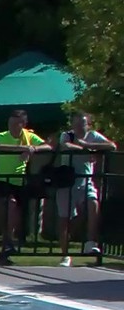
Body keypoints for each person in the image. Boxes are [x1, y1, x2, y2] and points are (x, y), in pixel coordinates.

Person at [0, 108, 48, 265]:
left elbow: (47, 146)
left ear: (23, 124)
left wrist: (33, 148)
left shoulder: (29, 136)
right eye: (11, 123)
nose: (13, 126)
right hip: (3, 180)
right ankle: (8, 242)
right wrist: (21, 149)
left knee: (16, 214)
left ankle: (8, 244)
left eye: (16, 124)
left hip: (20, 181)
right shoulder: (1, 136)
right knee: (10, 206)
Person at [55, 112, 114, 266]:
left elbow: (111, 146)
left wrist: (90, 146)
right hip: (67, 181)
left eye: (82, 123)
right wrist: (86, 150)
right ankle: (65, 255)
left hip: (86, 180)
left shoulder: (93, 136)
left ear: (88, 124)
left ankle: (90, 242)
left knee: (93, 204)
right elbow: (66, 145)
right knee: (64, 220)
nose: (79, 127)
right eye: (76, 123)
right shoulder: (67, 135)